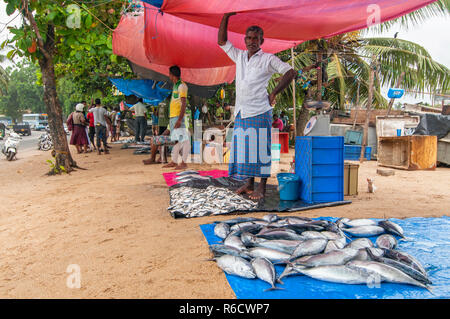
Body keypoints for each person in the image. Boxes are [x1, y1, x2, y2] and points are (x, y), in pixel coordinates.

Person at [218, 12, 296, 200]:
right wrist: (226, 16)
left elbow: (290, 72)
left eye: (256, 38)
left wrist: (274, 92)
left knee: (260, 149)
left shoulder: (268, 59)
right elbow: (222, 41)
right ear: (245, 40)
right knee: (245, 150)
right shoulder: (239, 56)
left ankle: (262, 186)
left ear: (262, 40)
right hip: (242, 112)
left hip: (260, 110)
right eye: (249, 38)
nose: (252, 41)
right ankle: (249, 183)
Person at [143, 65, 190, 169]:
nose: (169, 76)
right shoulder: (176, 86)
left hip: (177, 117)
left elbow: (183, 103)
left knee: (181, 140)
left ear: (172, 75)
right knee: (176, 140)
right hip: (173, 117)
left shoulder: (182, 86)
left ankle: (183, 163)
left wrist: (179, 119)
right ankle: (174, 161)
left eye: (169, 74)